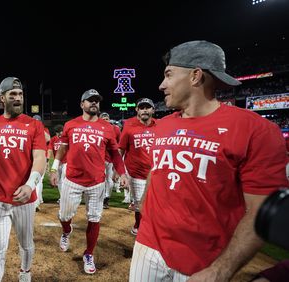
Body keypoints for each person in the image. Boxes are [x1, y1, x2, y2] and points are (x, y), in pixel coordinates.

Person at [129, 40, 288, 281]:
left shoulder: (256, 130)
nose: (162, 85)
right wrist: (143, 202)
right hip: (149, 244)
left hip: (205, 259)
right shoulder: (163, 126)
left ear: (195, 76)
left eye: (169, 75)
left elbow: (261, 211)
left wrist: (220, 269)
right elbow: (157, 169)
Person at [50, 89, 127, 275]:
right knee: (64, 215)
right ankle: (66, 232)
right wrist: (54, 168)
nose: (94, 103)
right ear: (82, 104)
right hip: (72, 179)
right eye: (89, 101)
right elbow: (62, 149)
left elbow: (115, 153)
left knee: (95, 217)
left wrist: (122, 172)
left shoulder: (107, 127)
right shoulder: (70, 124)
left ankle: (88, 253)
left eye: (96, 101)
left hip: (97, 181)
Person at [0, 77, 46, 282]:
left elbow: (40, 157)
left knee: (25, 243)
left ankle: (25, 272)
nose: (18, 98)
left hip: (24, 198)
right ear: (2, 98)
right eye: (13, 95)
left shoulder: (34, 125)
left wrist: (30, 184)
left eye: (20, 94)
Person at [118, 97, 157, 235]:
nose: (145, 110)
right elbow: (121, 149)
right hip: (136, 174)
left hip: (156, 173)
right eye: (141, 107)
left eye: (147, 107)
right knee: (140, 203)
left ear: (153, 109)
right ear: (137, 110)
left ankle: (146, 226)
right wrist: (119, 171)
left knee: (156, 204)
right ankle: (139, 226)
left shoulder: (161, 126)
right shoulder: (129, 127)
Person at [99, 112, 122, 209]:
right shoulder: (115, 128)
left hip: (107, 157)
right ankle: (104, 198)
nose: (105, 121)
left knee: (106, 178)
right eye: (103, 119)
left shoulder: (114, 129)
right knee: (105, 179)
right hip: (101, 157)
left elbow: (120, 145)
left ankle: (105, 198)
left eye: (106, 119)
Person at [32, 114, 51, 212]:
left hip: (41, 157)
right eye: (34, 121)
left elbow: (48, 138)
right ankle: (37, 199)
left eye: (38, 121)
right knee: (34, 180)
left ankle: (36, 201)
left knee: (38, 180)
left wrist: (38, 127)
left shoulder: (44, 130)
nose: (36, 123)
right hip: (31, 157)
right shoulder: (29, 129)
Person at [48, 124, 67, 202]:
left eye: (61, 132)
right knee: (59, 181)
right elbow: (49, 150)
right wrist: (48, 159)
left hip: (66, 162)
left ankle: (64, 198)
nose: (59, 133)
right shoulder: (53, 140)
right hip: (58, 163)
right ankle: (62, 197)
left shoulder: (66, 139)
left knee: (64, 179)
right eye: (57, 132)